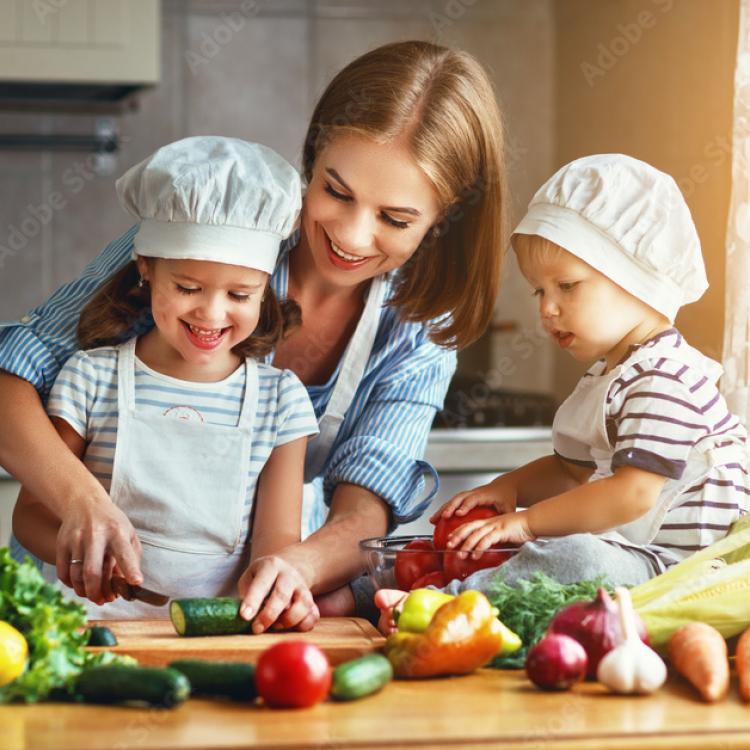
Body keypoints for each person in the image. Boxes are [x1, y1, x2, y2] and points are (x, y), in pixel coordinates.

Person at [0, 41, 507, 630]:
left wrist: (293, 569)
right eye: (335, 191)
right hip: (71, 605)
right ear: (311, 158)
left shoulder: (417, 329)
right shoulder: (209, 231)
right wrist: (81, 503)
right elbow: (11, 380)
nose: (351, 234)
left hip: (226, 611)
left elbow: (361, 513)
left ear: (442, 218)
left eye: (395, 219)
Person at [376, 153, 750, 633]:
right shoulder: (611, 375)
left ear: (636, 277)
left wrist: (527, 523)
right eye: (539, 291)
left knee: (573, 554)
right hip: (634, 553)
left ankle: (440, 608)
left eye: (567, 286)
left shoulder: (666, 378)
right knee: (541, 547)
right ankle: (383, 590)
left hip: (677, 571)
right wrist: (507, 488)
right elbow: (571, 473)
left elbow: (633, 494)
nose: (547, 309)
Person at [11, 137, 321, 625]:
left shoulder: (280, 401)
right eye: (188, 288)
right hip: (95, 628)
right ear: (146, 268)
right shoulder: (91, 378)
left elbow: (277, 541)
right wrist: (79, 557)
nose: (212, 313)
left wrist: (276, 582)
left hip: (216, 636)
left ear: (266, 289)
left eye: (241, 293)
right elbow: (31, 516)